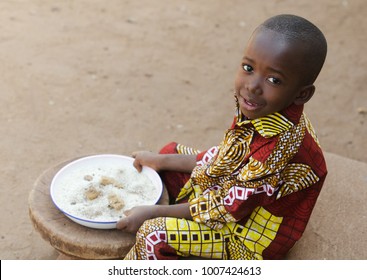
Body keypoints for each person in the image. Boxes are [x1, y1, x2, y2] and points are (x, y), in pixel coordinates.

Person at [117, 14, 328, 260]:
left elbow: (225, 207)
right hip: (237, 193)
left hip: (248, 238)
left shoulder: (276, 152)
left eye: (274, 80)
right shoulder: (264, 109)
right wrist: (160, 160)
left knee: (153, 234)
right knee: (167, 154)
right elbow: (226, 157)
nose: (252, 85)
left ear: (302, 94)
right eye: (248, 68)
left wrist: (153, 214)